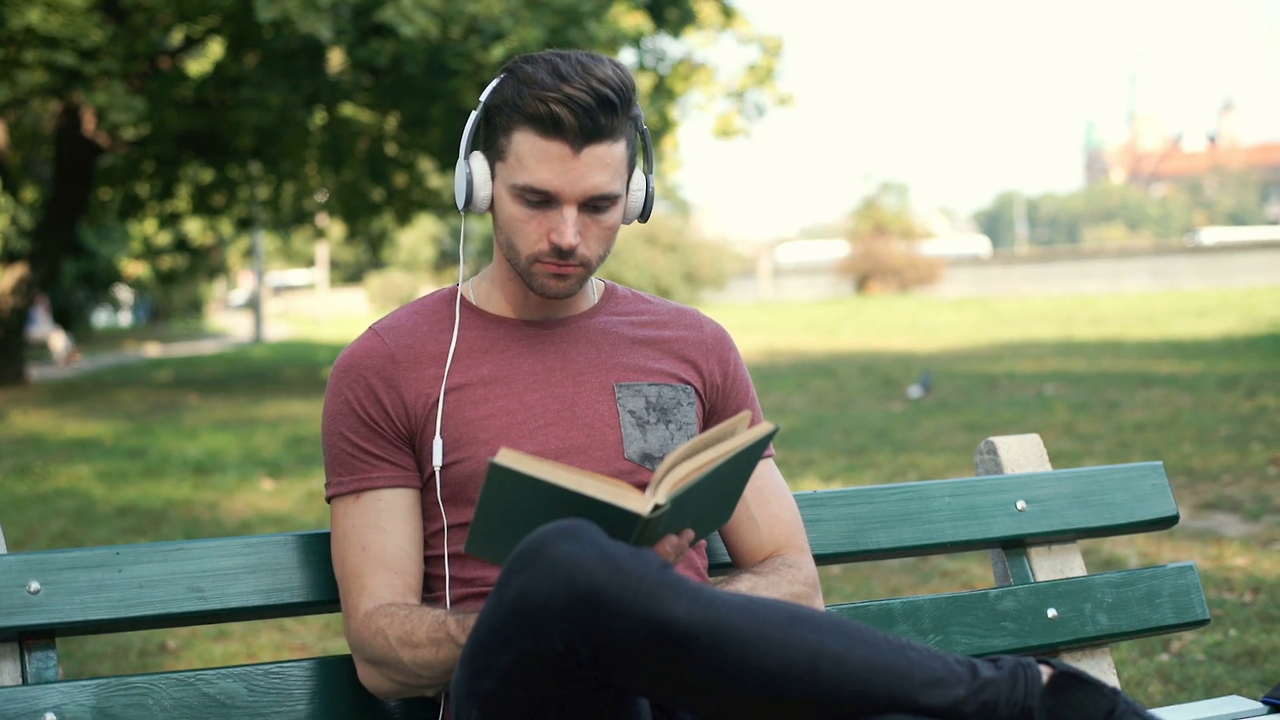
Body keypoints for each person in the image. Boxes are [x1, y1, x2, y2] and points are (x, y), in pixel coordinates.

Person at [321, 49, 1159, 720]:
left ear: (636, 197)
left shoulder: (692, 344)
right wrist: (572, 606)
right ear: (478, 187)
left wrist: (641, 609)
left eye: (599, 204)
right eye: (535, 199)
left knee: (590, 572)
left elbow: (795, 579)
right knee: (564, 558)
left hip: (696, 697)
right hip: (524, 698)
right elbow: (381, 651)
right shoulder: (389, 364)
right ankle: (1020, 701)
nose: (568, 235)